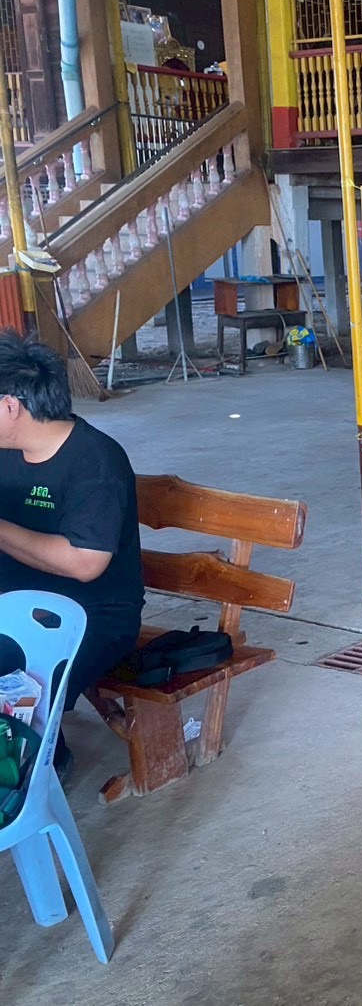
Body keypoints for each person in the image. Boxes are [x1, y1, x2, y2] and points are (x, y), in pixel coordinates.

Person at [0, 333, 143, 781]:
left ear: (10, 407)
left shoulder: (95, 461)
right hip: (16, 602)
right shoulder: (6, 450)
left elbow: (85, 563)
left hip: (91, 615)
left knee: (8, 671)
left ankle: (36, 765)